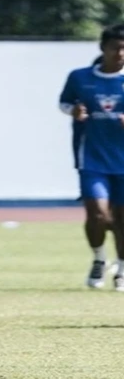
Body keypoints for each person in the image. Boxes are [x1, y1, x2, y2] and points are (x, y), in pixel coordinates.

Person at [60, 28, 124, 290]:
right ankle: (99, 258)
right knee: (97, 214)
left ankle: (121, 268)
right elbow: (64, 103)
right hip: (92, 159)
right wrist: (74, 110)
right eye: (115, 48)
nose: (120, 54)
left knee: (121, 218)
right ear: (103, 48)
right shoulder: (80, 77)